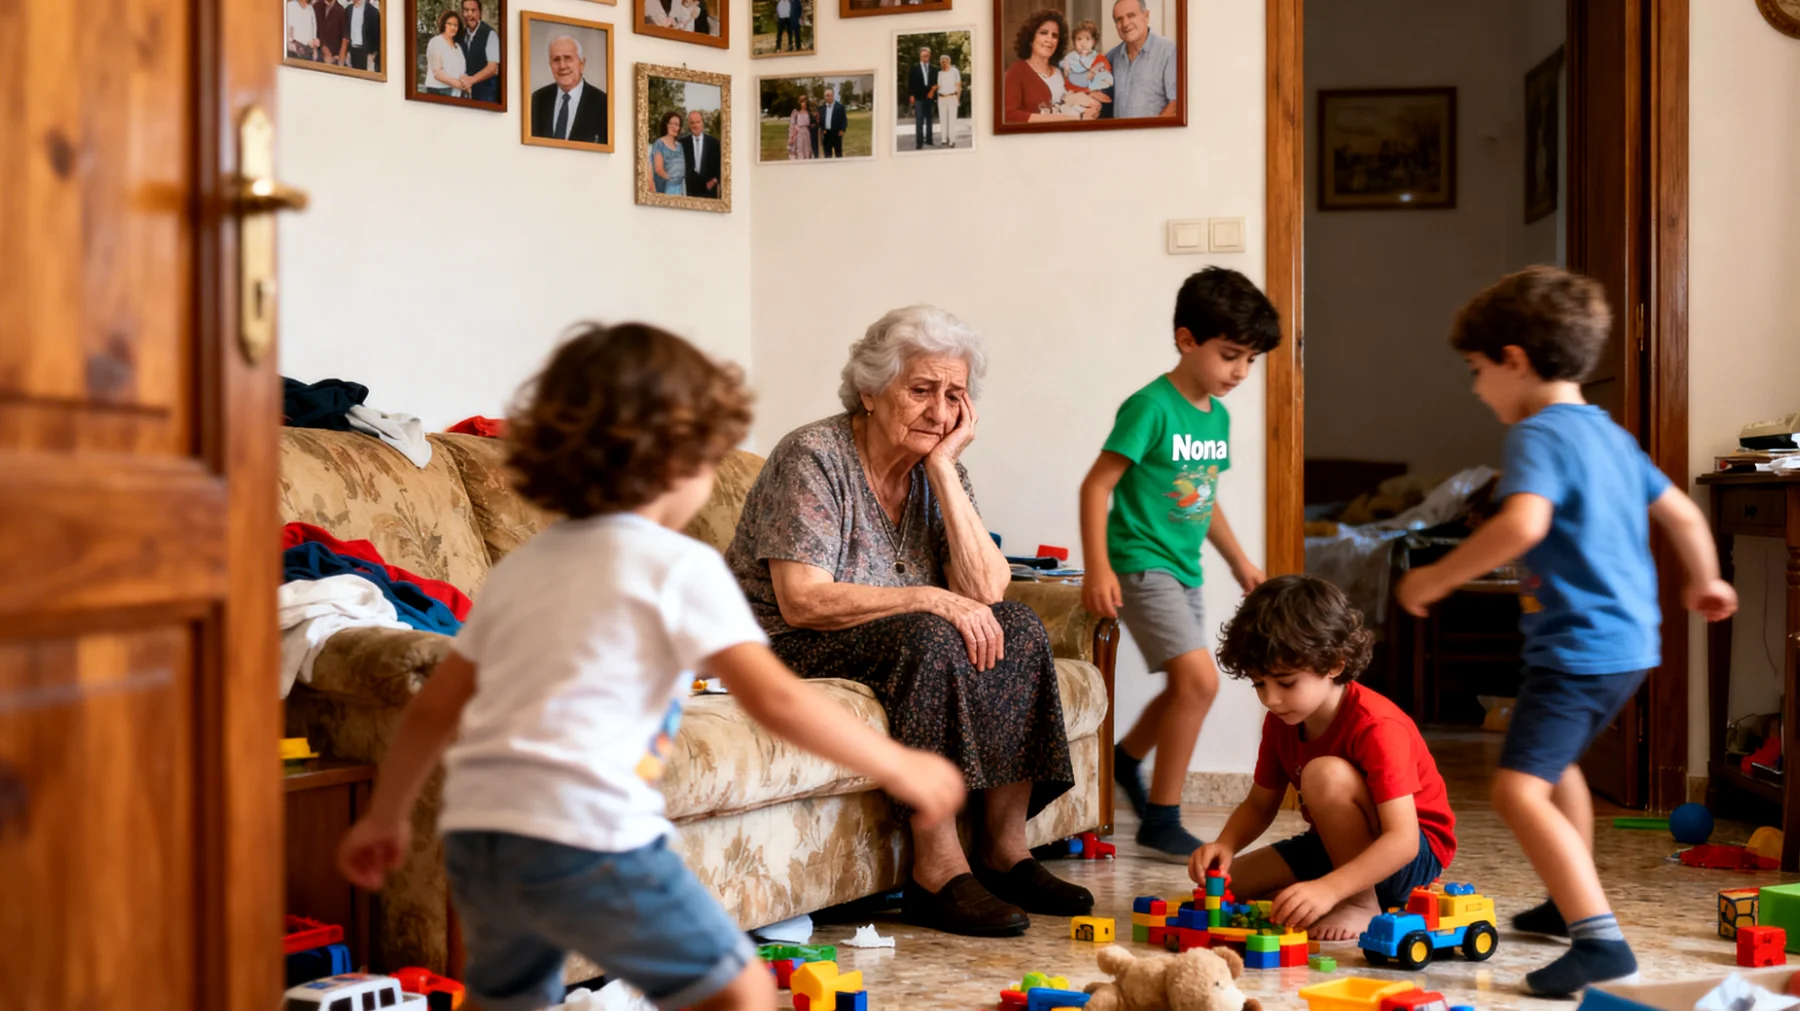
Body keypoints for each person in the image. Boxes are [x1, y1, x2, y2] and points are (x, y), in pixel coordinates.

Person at [337, 323, 965, 1011]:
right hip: (593, 841)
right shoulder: (678, 568)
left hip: (484, 840)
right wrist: (901, 765)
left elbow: (436, 704)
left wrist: (386, 816)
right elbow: (777, 701)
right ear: (681, 457)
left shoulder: (524, 570)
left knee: (511, 998)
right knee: (740, 989)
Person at [1396, 266, 1738, 996]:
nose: (1477, 387)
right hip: (1626, 646)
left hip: (1577, 647)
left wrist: (1435, 577)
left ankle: (1599, 939)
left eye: (1477, 370)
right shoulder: (1609, 436)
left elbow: (1524, 522)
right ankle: (1566, 898)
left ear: (1514, 359)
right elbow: (1680, 511)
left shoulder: (1536, 434)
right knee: (1562, 768)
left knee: (1520, 790)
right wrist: (1704, 578)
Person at [725, 305, 1094, 938]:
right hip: (789, 647)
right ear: (869, 391)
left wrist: (945, 469)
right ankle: (936, 872)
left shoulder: (938, 467)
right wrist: (924, 596)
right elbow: (801, 602)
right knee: (930, 633)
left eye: (954, 395)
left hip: (888, 640)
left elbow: (986, 589)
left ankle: (1005, 852)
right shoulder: (813, 456)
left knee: (1019, 627)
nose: (939, 410)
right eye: (920, 390)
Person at [1078, 267, 1280, 857]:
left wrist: (1241, 561)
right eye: (1230, 355)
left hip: (1184, 569)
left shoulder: (1216, 417)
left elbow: (1203, 495)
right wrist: (1099, 568)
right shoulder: (1151, 407)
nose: (1241, 372)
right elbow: (1097, 487)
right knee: (1200, 681)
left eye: (1250, 360)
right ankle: (1162, 816)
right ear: (1186, 339)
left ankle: (1125, 758)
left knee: (1184, 684)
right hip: (1141, 563)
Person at [1189, 576, 1457, 940]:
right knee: (1228, 889)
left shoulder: (1377, 725)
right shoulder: (1282, 721)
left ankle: (1362, 903)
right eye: (1259, 684)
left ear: (1333, 664)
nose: (1270, 698)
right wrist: (1225, 844)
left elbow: (1403, 840)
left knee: (1323, 774)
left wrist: (1330, 889)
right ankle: (1338, 891)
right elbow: (1259, 803)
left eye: (1285, 683)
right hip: (1337, 846)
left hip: (1408, 858)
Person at [1002, 11, 1099, 123]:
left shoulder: (1061, 71)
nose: (1049, 39)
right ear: (1030, 38)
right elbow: (1008, 115)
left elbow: (1071, 100)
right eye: (1043, 33)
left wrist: (1090, 104)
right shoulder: (1016, 72)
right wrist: (1077, 117)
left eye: (1054, 36)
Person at [1105, 0, 1177, 118]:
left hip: (1156, 134)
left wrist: (1154, 134)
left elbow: (1176, 103)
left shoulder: (1169, 51)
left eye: (1131, 15)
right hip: (1119, 135)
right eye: (1119, 19)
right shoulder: (1111, 57)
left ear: (1146, 16)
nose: (1125, 24)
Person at [531, 34, 608, 145]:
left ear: (582, 63)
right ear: (550, 65)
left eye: (568, 58)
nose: (562, 66)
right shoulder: (537, 99)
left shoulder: (603, 103)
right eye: (556, 60)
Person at [1059, 20, 1114, 102]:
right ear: (1074, 41)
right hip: (1073, 98)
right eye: (1079, 39)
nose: (1083, 43)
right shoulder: (1070, 58)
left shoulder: (1100, 59)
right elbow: (1066, 82)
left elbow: (1106, 82)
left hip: (1095, 99)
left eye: (1087, 39)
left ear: (1094, 41)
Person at [459, 0, 502, 103]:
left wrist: (471, 80)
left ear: (480, 13)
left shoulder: (490, 34)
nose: (470, 14)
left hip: (486, 95)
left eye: (473, 10)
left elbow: (492, 68)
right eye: (466, 10)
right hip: (466, 94)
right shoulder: (461, 35)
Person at [425, 11, 468, 96]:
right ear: (443, 24)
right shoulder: (436, 42)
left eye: (456, 25)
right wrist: (459, 85)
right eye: (449, 24)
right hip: (438, 91)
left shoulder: (457, 47)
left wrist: (467, 84)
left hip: (456, 92)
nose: (453, 27)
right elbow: (437, 73)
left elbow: (461, 71)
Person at [681, 110, 722, 198]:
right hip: (690, 189)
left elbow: (720, 164)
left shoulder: (714, 142)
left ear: (702, 123)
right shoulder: (683, 143)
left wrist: (715, 180)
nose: (695, 125)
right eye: (692, 123)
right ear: (689, 125)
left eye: (698, 122)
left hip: (709, 188)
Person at [649, 111, 688, 195]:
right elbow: (658, 169)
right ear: (666, 124)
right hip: (666, 188)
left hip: (681, 188)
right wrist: (672, 180)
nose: (675, 127)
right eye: (672, 123)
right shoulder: (659, 144)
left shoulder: (680, 146)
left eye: (677, 124)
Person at [907, 47, 938, 149]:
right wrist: (911, 95)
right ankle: (919, 142)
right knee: (919, 120)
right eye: (924, 56)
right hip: (918, 97)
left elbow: (936, 83)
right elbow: (910, 83)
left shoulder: (934, 69)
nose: (926, 57)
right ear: (920, 56)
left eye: (927, 56)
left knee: (929, 120)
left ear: (930, 56)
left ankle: (929, 140)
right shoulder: (914, 68)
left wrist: (934, 93)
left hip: (930, 97)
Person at [344, 0, 381, 72]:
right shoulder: (348, 9)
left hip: (366, 52)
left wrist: (373, 54)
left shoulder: (372, 11)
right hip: (352, 50)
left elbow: (377, 35)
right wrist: (347, 51)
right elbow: (346, 31)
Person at [934, 55, 962, 147]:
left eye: (945, 61)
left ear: (949, 61)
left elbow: (958, 86)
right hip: (941, 98)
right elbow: (939, 86)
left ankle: (952, 140)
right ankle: (944, 139)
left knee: (952, 119)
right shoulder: (940, 73)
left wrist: (957, 99)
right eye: (942, 61)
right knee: (943, 119)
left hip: (952, 96)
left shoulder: (955, 71)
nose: (944, 63)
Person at [314, 0, 348, 65]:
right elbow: (314, 29)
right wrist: (323, 47)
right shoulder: (316, 6)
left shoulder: (341, 10)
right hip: (318, 53)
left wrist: (341, 56)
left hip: (334, 57)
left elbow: (345, 35)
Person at [817, 88, 846, 158]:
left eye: (829, 95)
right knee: (827, 154)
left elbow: (844, 119)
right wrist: (822, 128)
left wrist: (842, 130)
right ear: (824, 97)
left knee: (838, 153)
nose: (828, 97)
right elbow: (820, 120)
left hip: (837, 133)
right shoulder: (821, 108)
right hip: (826, 134)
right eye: (826, 96)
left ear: (833, 96)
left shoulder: (840, 107)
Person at [786, 95, 815, 160]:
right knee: (799, 149)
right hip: (798, 132)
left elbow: (811, 123)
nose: (804, 103)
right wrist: (791, 137)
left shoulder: (808, 112)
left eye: (805, 101)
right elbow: (792, 125)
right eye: (802, 102)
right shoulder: (795, 112)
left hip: (806, 133)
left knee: (807, 149)